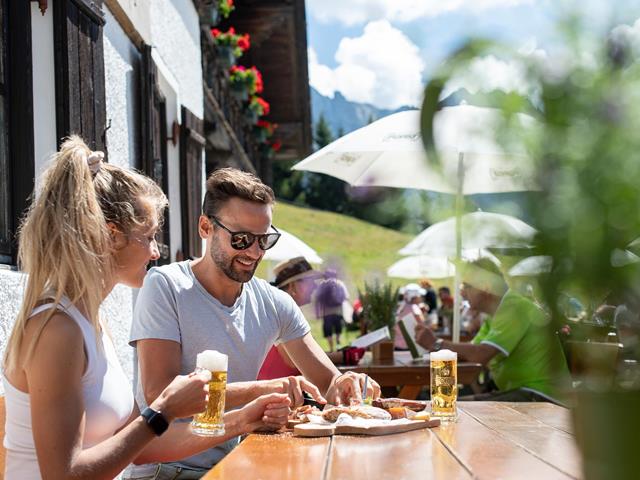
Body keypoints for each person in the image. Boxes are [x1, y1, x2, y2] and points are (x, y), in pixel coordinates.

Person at [1, 138, 290, 480]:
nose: (156, 252)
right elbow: (64, 475)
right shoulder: (57, 330)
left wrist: (245, 418)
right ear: (111, 236)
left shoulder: (89, 322)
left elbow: (144, 446)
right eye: (149, 236)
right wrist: (163, 411)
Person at [127, 168, 379, 479]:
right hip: (166, 471)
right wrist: (262, 390)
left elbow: (328, 382)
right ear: (206, 227)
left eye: (264, 240)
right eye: (242, 239)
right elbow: (159, 393)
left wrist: (347, 384)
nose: (254, 252)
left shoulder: (273, 302)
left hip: (233, 466)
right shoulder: (166, 285)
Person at [415, 257, 571, 403]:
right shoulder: (495, 314)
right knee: (450, 406)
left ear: (485, 286)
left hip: (542, 397)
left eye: (466, 286)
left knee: (455, 408)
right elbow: (470, 354)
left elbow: (479, 355)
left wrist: (436, 344)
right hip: (525, 393)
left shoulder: (514, 307)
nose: (462, 292)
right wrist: (433, 351)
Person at [257, 256, 322, 379]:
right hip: (273, 393)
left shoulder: (284, 310)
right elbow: (298, 361)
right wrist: (342, 356)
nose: (315, 286)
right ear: (292, 285)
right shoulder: (277, 311)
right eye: (309, 282)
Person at [315, 269, 350, 352]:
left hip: (326, 313)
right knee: (338, 330)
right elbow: (346, 297)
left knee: (328, 332)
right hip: (338, 312)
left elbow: (317, 300)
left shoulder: (322, 285)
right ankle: (338, 345)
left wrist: (317, 312)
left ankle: (331, 349)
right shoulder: (340, 283)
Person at [395, 283, 427, 350]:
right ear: (415, 297)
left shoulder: (401, 307)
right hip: (409, 345)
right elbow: (422, 327)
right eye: (420, 296)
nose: (421, 298)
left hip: (398, 344)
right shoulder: (415, 309)